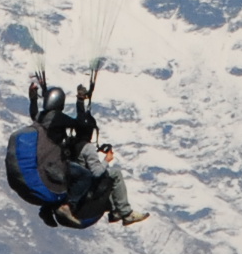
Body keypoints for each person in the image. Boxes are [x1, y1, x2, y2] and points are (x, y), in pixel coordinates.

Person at [21, 73, 148, 227]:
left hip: (47, 163)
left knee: (63, 180)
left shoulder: (44, 119)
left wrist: (33, 98)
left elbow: (34, 115)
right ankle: (119, 212)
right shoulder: (62, 121)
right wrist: (106, 160)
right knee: (88, 176)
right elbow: (81, 124)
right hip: (59, 165)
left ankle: (46, 210)